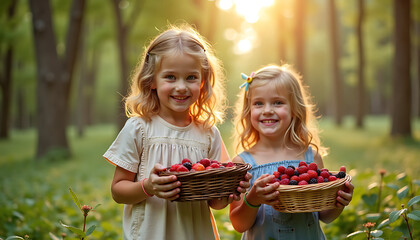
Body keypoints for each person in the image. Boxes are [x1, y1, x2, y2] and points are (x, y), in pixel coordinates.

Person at [103, 25, 250, 240]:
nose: (181, 87)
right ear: (151, 80)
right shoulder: (139, 128)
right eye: (170, 77)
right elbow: (118, 191)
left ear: (202, 82)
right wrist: (149, 187)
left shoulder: (208, 132)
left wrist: (230, 190)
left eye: (191, 77)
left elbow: (216, 203)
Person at [229, 64, 354, 239]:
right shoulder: (242, 164)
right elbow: (239, 224)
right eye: (258, 103)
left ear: (295, 109)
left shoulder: (311, 157)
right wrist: (253, 200)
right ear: (249, 110)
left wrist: (338, 202)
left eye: (278, 102)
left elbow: (325, 216)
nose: (267, 110)